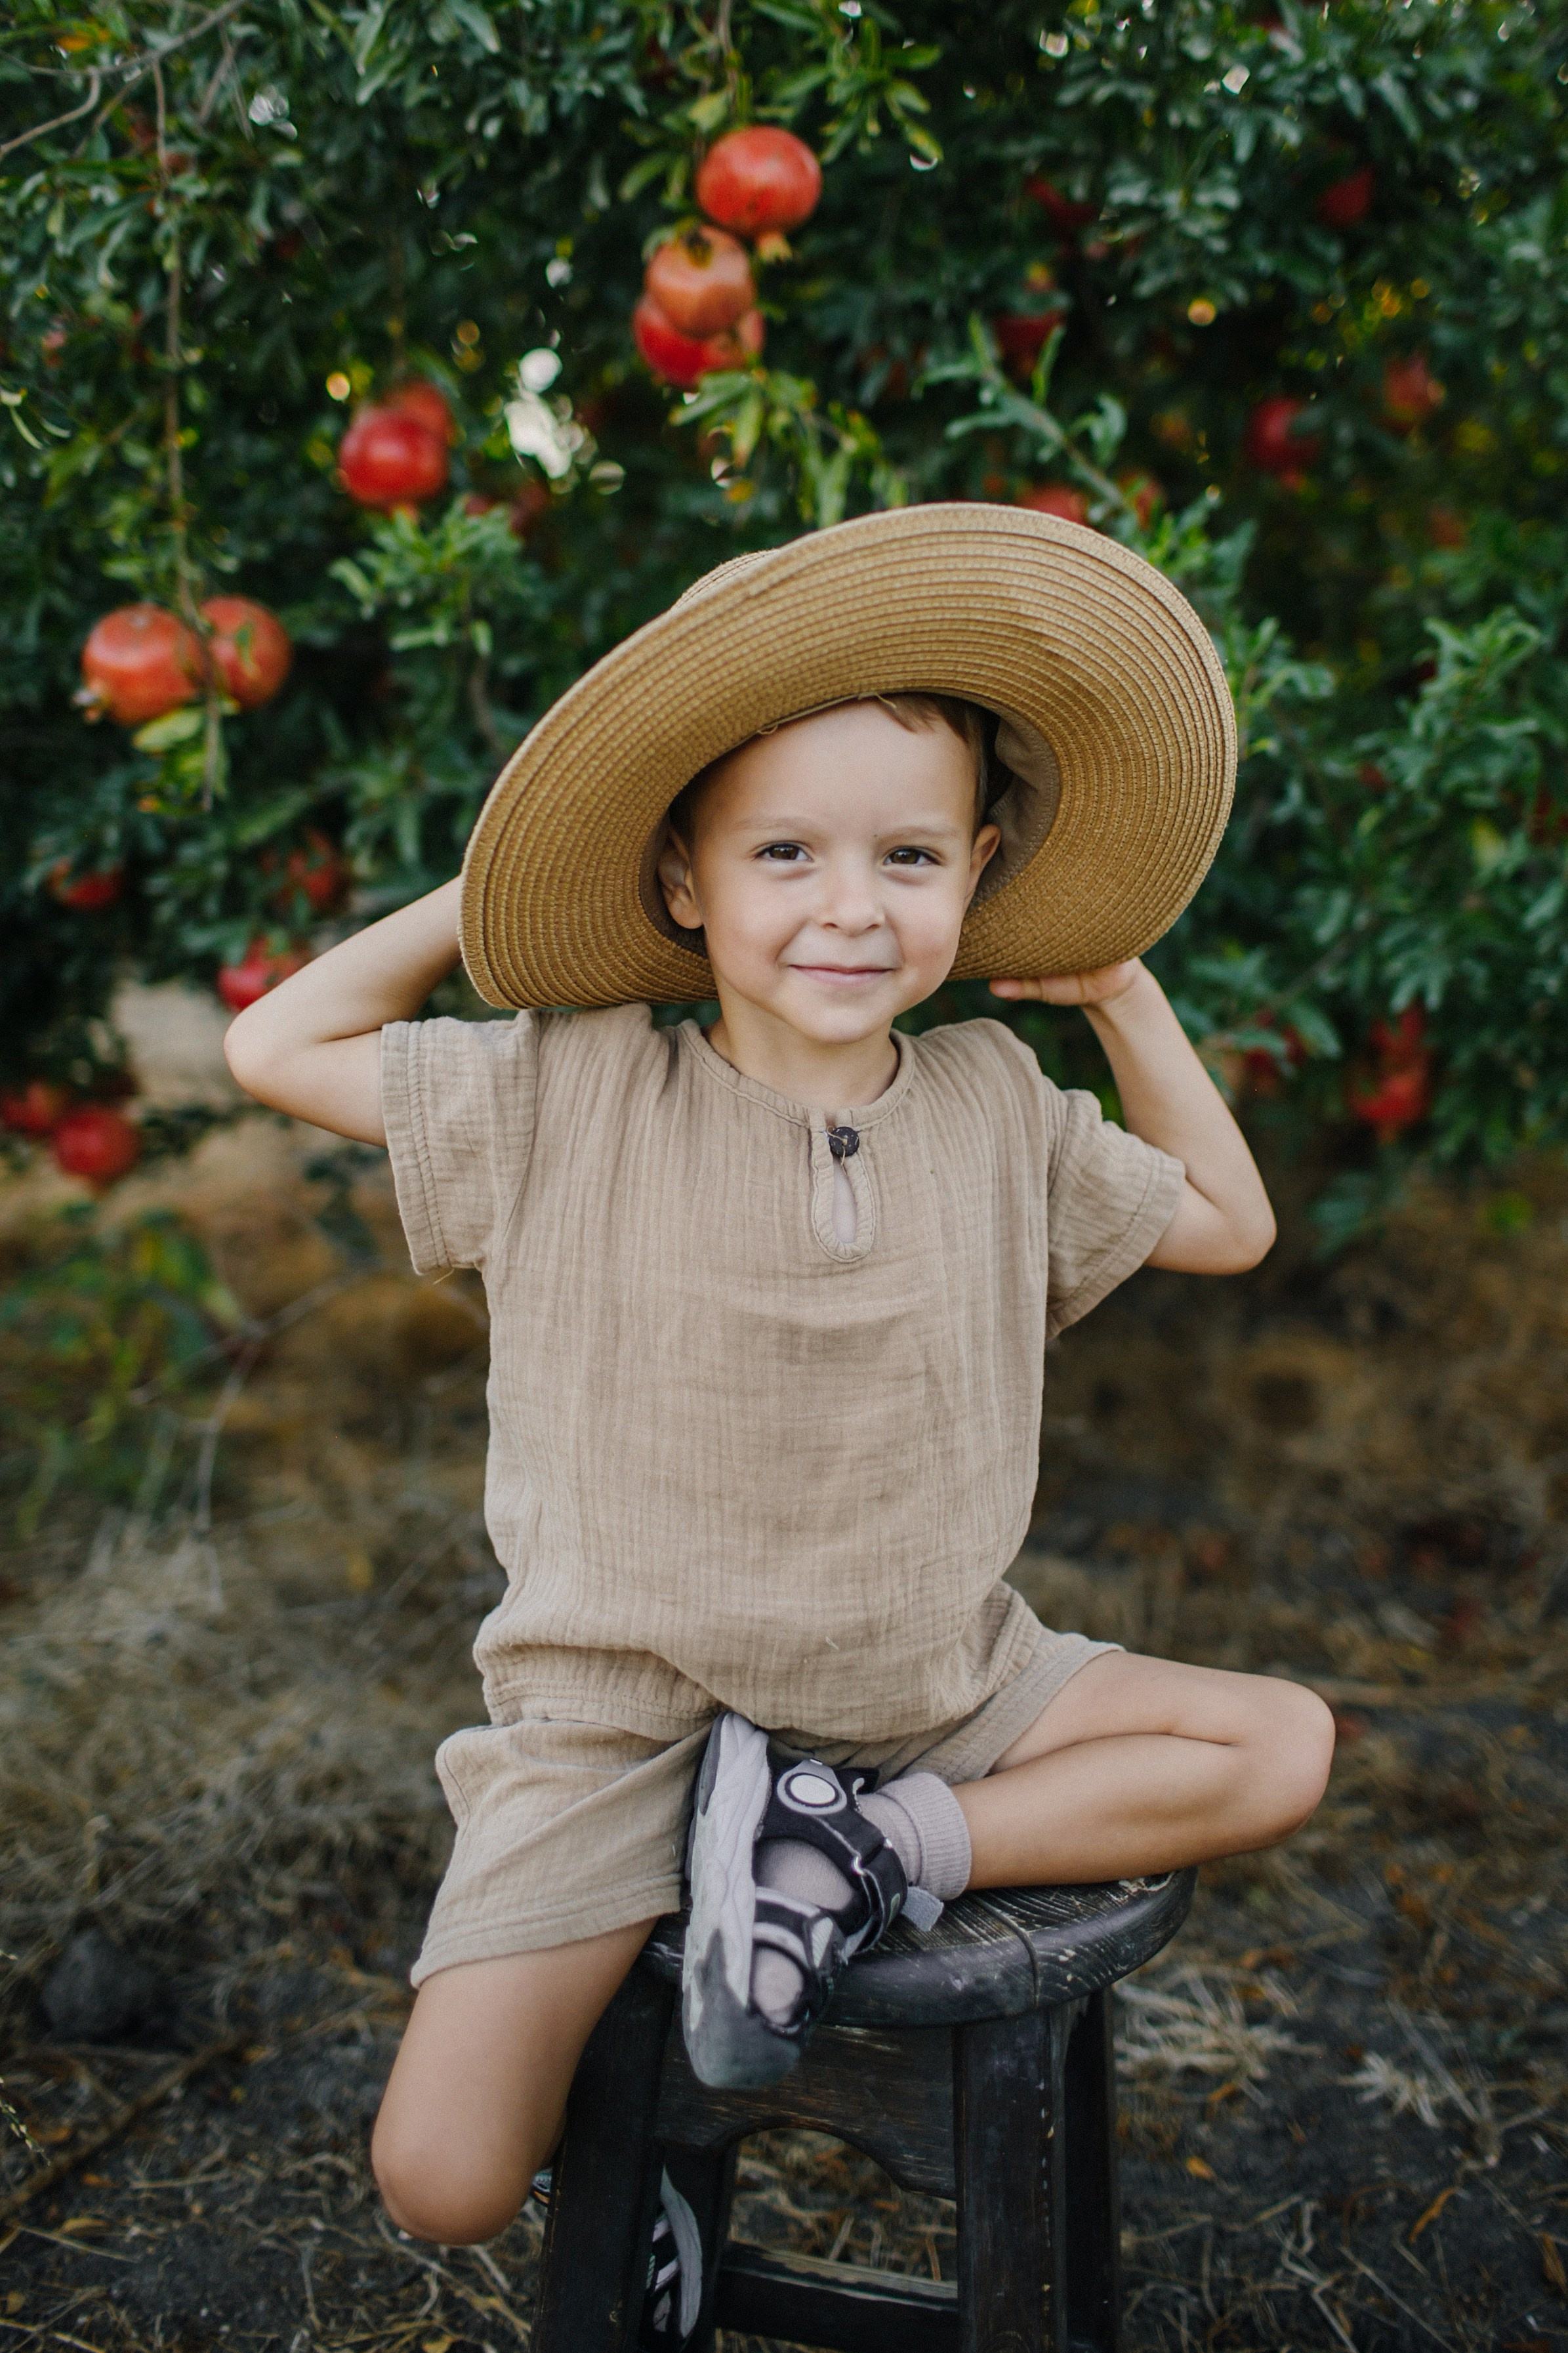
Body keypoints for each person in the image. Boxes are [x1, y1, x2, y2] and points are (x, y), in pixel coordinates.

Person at [225, 506, 1332, 2304]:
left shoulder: (994, 1101)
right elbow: (273, 1046)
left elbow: (1230, 1219)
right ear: (686, 880)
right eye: (786, 852)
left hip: (930, 1694)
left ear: (977, 871)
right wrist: (504, 889)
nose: (851, 905)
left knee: (1280, 1746)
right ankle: (658, 2143)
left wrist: (1124, 990)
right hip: (626, 1718)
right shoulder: (572, 1093)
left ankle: (856, 1849)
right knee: (441, 2178)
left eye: (910, 856)